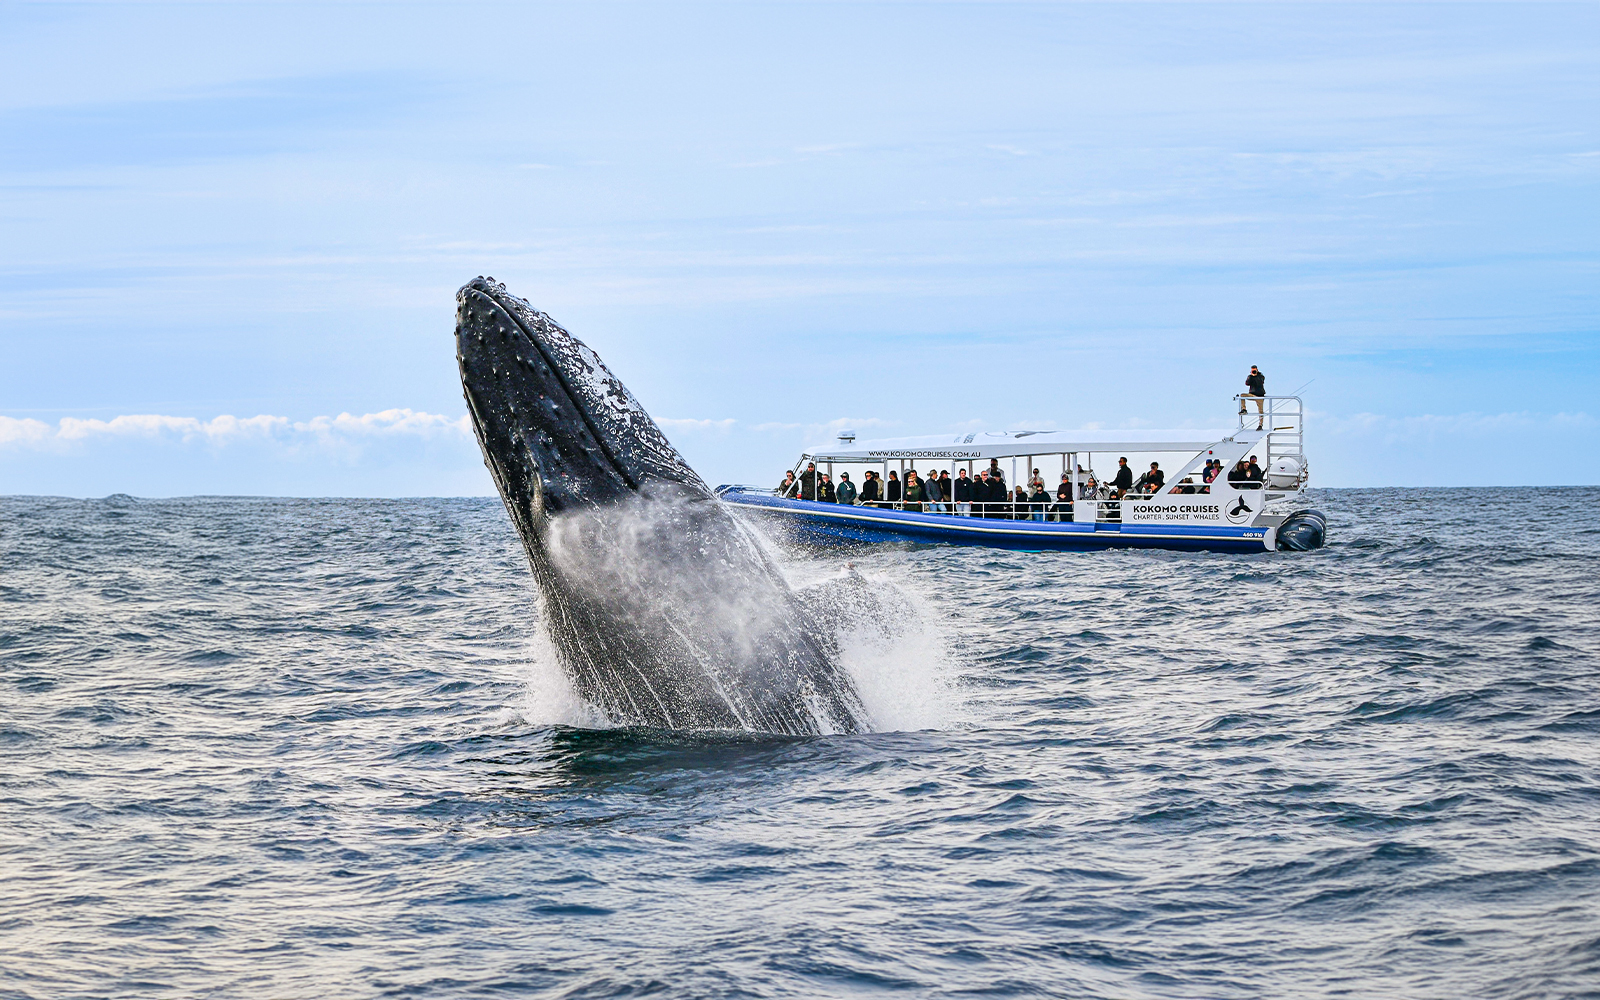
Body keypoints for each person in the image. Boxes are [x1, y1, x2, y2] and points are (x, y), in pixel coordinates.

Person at [1242, 365, 1266, 429]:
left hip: (1260, 396)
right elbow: (1247, 383)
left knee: (1260, 411)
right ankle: (1244, 409)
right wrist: (1251, 377)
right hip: (1252, 394)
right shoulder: (1250, 377)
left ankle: (1260, 425)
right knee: (1242, 396)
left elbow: (1261, 382)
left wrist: (1256, 376)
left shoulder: (1261, 376)